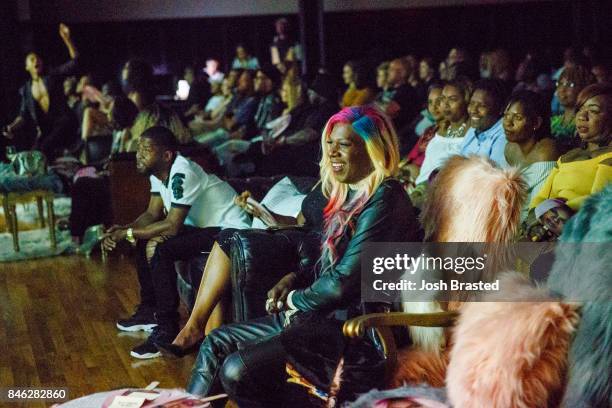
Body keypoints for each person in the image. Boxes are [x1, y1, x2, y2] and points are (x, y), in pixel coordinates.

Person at [187, 106, 419, 405]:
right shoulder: (344, 194)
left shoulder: (386, 197)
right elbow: (328, 264)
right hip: (323, 316)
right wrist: (293, 278)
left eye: (344, 144)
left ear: (374, 150)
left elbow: (343, 282)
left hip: (362, 329)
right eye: (330, 144)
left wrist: (295, 299)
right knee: (215, 343)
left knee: (236, 369)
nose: (332, 153)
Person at [102, 126, 250, 359]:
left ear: (167, 155)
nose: (138, 154)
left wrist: (129, 233)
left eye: (146, 150)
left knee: (162, 249)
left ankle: (167, 329)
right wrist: (125, 228)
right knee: (145, 238)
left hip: (231, 230)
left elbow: (172, 226)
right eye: (138, 148)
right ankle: (150, 311)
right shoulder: (158, 174)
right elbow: (151, 214)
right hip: (204, 227)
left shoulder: (183, 172)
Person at [530, 82, 612, 211]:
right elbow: (540, 197)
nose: (581, 116)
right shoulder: (567, 157)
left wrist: (554, 209)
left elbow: (596, 202)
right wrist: (536, 214)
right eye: (580, 109)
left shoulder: (609, 157)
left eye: (594, 111)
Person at [3, 23, 79, 158]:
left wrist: (67, 39)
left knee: (42, 150)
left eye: (37, 58)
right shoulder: (26, 89)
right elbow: (23, 115)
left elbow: (75, 62)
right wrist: (11, 127)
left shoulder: (52, 76)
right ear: (27, 67)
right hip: (47, 130)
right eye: (32, 59)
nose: (36, 60)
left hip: (64, 123)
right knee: (33, 156)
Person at [410, 79, 472, 207]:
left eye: (453, 99)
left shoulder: (471, 132)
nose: (445, 105)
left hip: (440, 197)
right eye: (443, 99)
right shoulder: (439, 129)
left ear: (466, 101)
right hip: (418, 189)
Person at [503, 90, 560, 219]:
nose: (508, 123)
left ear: (536, 123)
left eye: (517, 118)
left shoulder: (547, 151)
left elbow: (538, 204)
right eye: (506, 115)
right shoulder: (510, 148)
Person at [400, 82, 447, 188]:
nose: (434, 107)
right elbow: (411, 157)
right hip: (409, 178)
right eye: (430, 102)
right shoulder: (429, 131)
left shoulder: (449, 137)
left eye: (438, 102)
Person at [460, 79, 510, 166]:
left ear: (500, 109)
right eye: (471, 103)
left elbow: (494, 176)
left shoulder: (504, 136)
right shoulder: (473, 130)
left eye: (482, 106)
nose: (473, 110)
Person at [550, 64, 595, 151]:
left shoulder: (585, 122)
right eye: (560, 83)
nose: (562, 89)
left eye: (570, 85)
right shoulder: (553, 121)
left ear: (583, 87)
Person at [375, 58, 419, 134]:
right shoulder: (393, 90)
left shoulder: (406, 92)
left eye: (391, 69)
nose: (388, 72)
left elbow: (385, 112)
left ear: (402, 73)